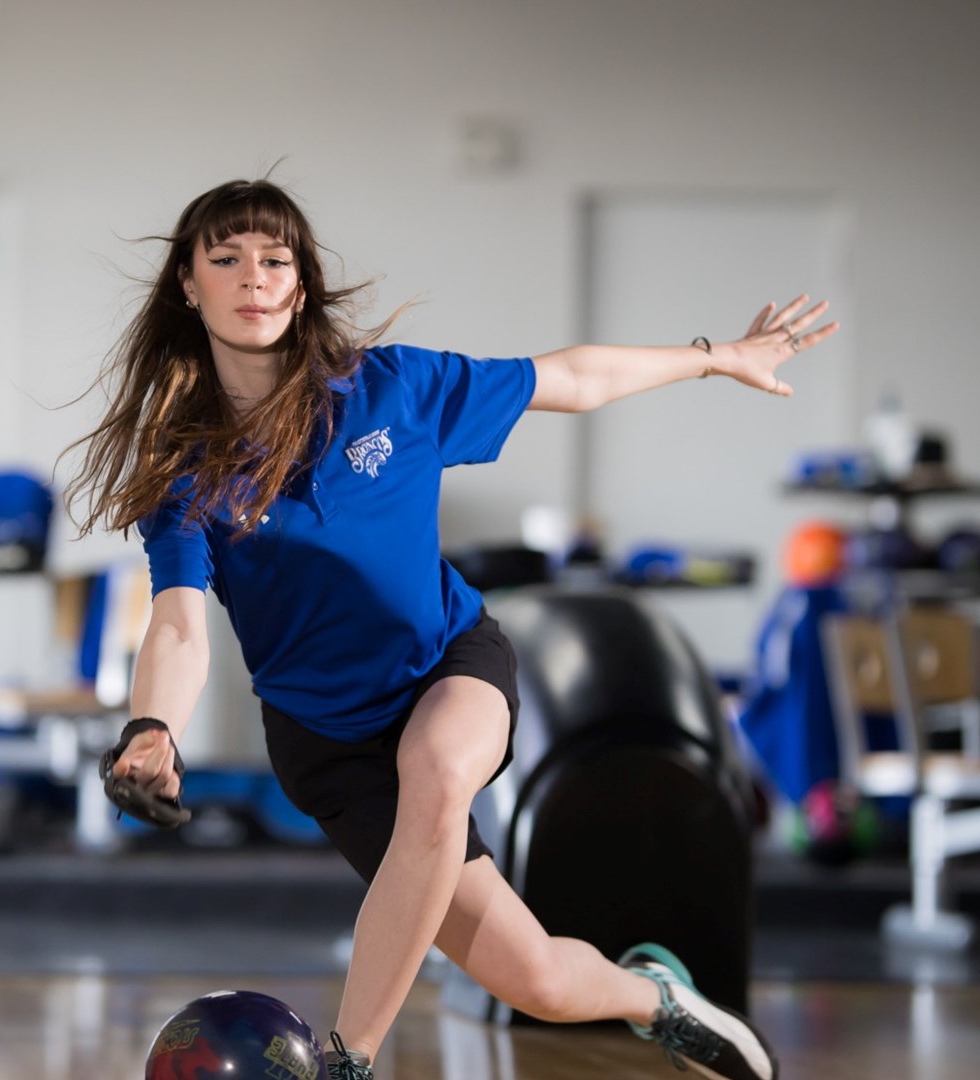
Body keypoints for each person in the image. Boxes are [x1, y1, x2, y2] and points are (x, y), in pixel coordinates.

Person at [62, 178, 838, 1080]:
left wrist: (716, 356)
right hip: (329, 743)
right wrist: (152, 729)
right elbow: (180, 627)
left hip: (447, 669)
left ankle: (349, 1060)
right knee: (540, 979)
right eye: (227, 259)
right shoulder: (187, 476)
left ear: (301, 284)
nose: (254, 278)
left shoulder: (395, 390)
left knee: (435, 771)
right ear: (188, 287)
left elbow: (574, 378)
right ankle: (657, 998)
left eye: (275, 260)